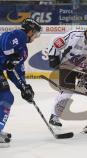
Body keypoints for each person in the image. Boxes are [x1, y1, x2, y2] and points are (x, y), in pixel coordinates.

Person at [47, 20, 87, 127]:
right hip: (68, 66)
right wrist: (53, 57)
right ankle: (55, 116)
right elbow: (55, 42)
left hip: (85, 69)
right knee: (67, 92)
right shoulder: (74, 35)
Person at [0, 18, 41, 147]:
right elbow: (5, 45)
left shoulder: (23, 51)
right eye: (36, 33)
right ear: (30, 32)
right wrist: (5, 60)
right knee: (6, 97)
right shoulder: (17, 35)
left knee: (7, 97)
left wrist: (24, 87)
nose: (35, 37)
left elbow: (15, 71)